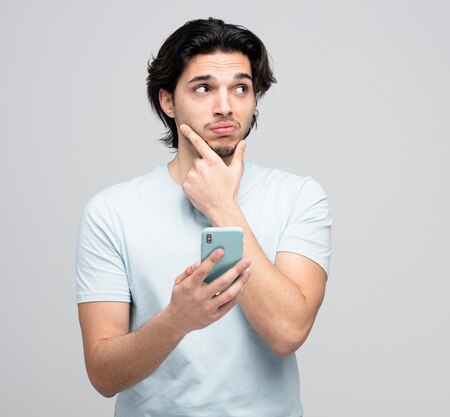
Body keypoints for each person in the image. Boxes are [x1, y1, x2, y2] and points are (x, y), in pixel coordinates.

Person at [76, 17, 331, 416]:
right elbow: (103, 375)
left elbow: (287, 332)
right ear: (167, 100)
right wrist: (177, 320)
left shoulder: (298, 196)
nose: (225, 106)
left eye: (240, 88)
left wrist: (222, 209)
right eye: (203, 88)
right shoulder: (112, 211)